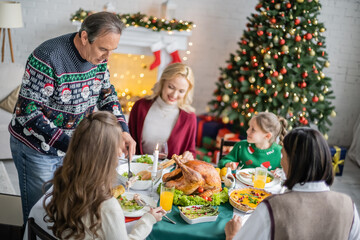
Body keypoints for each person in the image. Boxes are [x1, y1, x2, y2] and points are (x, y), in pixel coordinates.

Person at [9, 12, 136, 224]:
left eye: (112, 50)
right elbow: (28, 114)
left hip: (71, 146)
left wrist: (123, 129)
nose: (107, 57)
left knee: (64, 212)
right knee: (39, 217)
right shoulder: (48, 56)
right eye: (103, 49)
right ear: (85, 37)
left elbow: (106, 94)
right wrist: (76, 146)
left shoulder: (98, 59)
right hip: (36, 150)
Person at [23, 111, 165, 239]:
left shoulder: (64, 180)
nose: (120, 153)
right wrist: (148, 220)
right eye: (117, 147)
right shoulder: (107, 206)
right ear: (106, 156)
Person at [225, 127, 360, 240]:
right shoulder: (349, 206)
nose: (281, 161)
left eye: (283, 156)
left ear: (293, 163)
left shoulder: (271, 207)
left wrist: (232, 235)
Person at [129, 63, 196, 159]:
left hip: (171, 172)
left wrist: (189, 156)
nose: (174, 95)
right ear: (163, 82)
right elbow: (129, 140)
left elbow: (191, 151)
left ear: (187, 92)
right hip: (138, 168)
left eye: (181, 91)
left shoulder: (189, 117)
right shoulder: (140, 107)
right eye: (171, 87)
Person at [218, 112, 287, 170]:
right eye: (249, 127)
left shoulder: (280, 153)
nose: (247, 131)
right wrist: (228, 164)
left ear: (267, 136)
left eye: (253, 129)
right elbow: (221, 162)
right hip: (241, 185)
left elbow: (285, 175)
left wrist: (279, 173)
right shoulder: (240, 147)